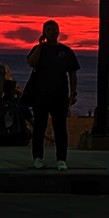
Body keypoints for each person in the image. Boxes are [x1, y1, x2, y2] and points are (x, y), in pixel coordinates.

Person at [24, 20, 79, 170]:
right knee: (39, 128)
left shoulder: (66, 51)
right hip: (40, 95)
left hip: (60, 96)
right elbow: (31, 62)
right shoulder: (38, 49)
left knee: (60, 129)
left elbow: (73, 73)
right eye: (48, 30)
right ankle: (37, 158)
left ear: (58, 31)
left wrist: (73, 93)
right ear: (44, 33)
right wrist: (41, 45)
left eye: (54, 30)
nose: (51, 32)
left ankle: (61, 159)